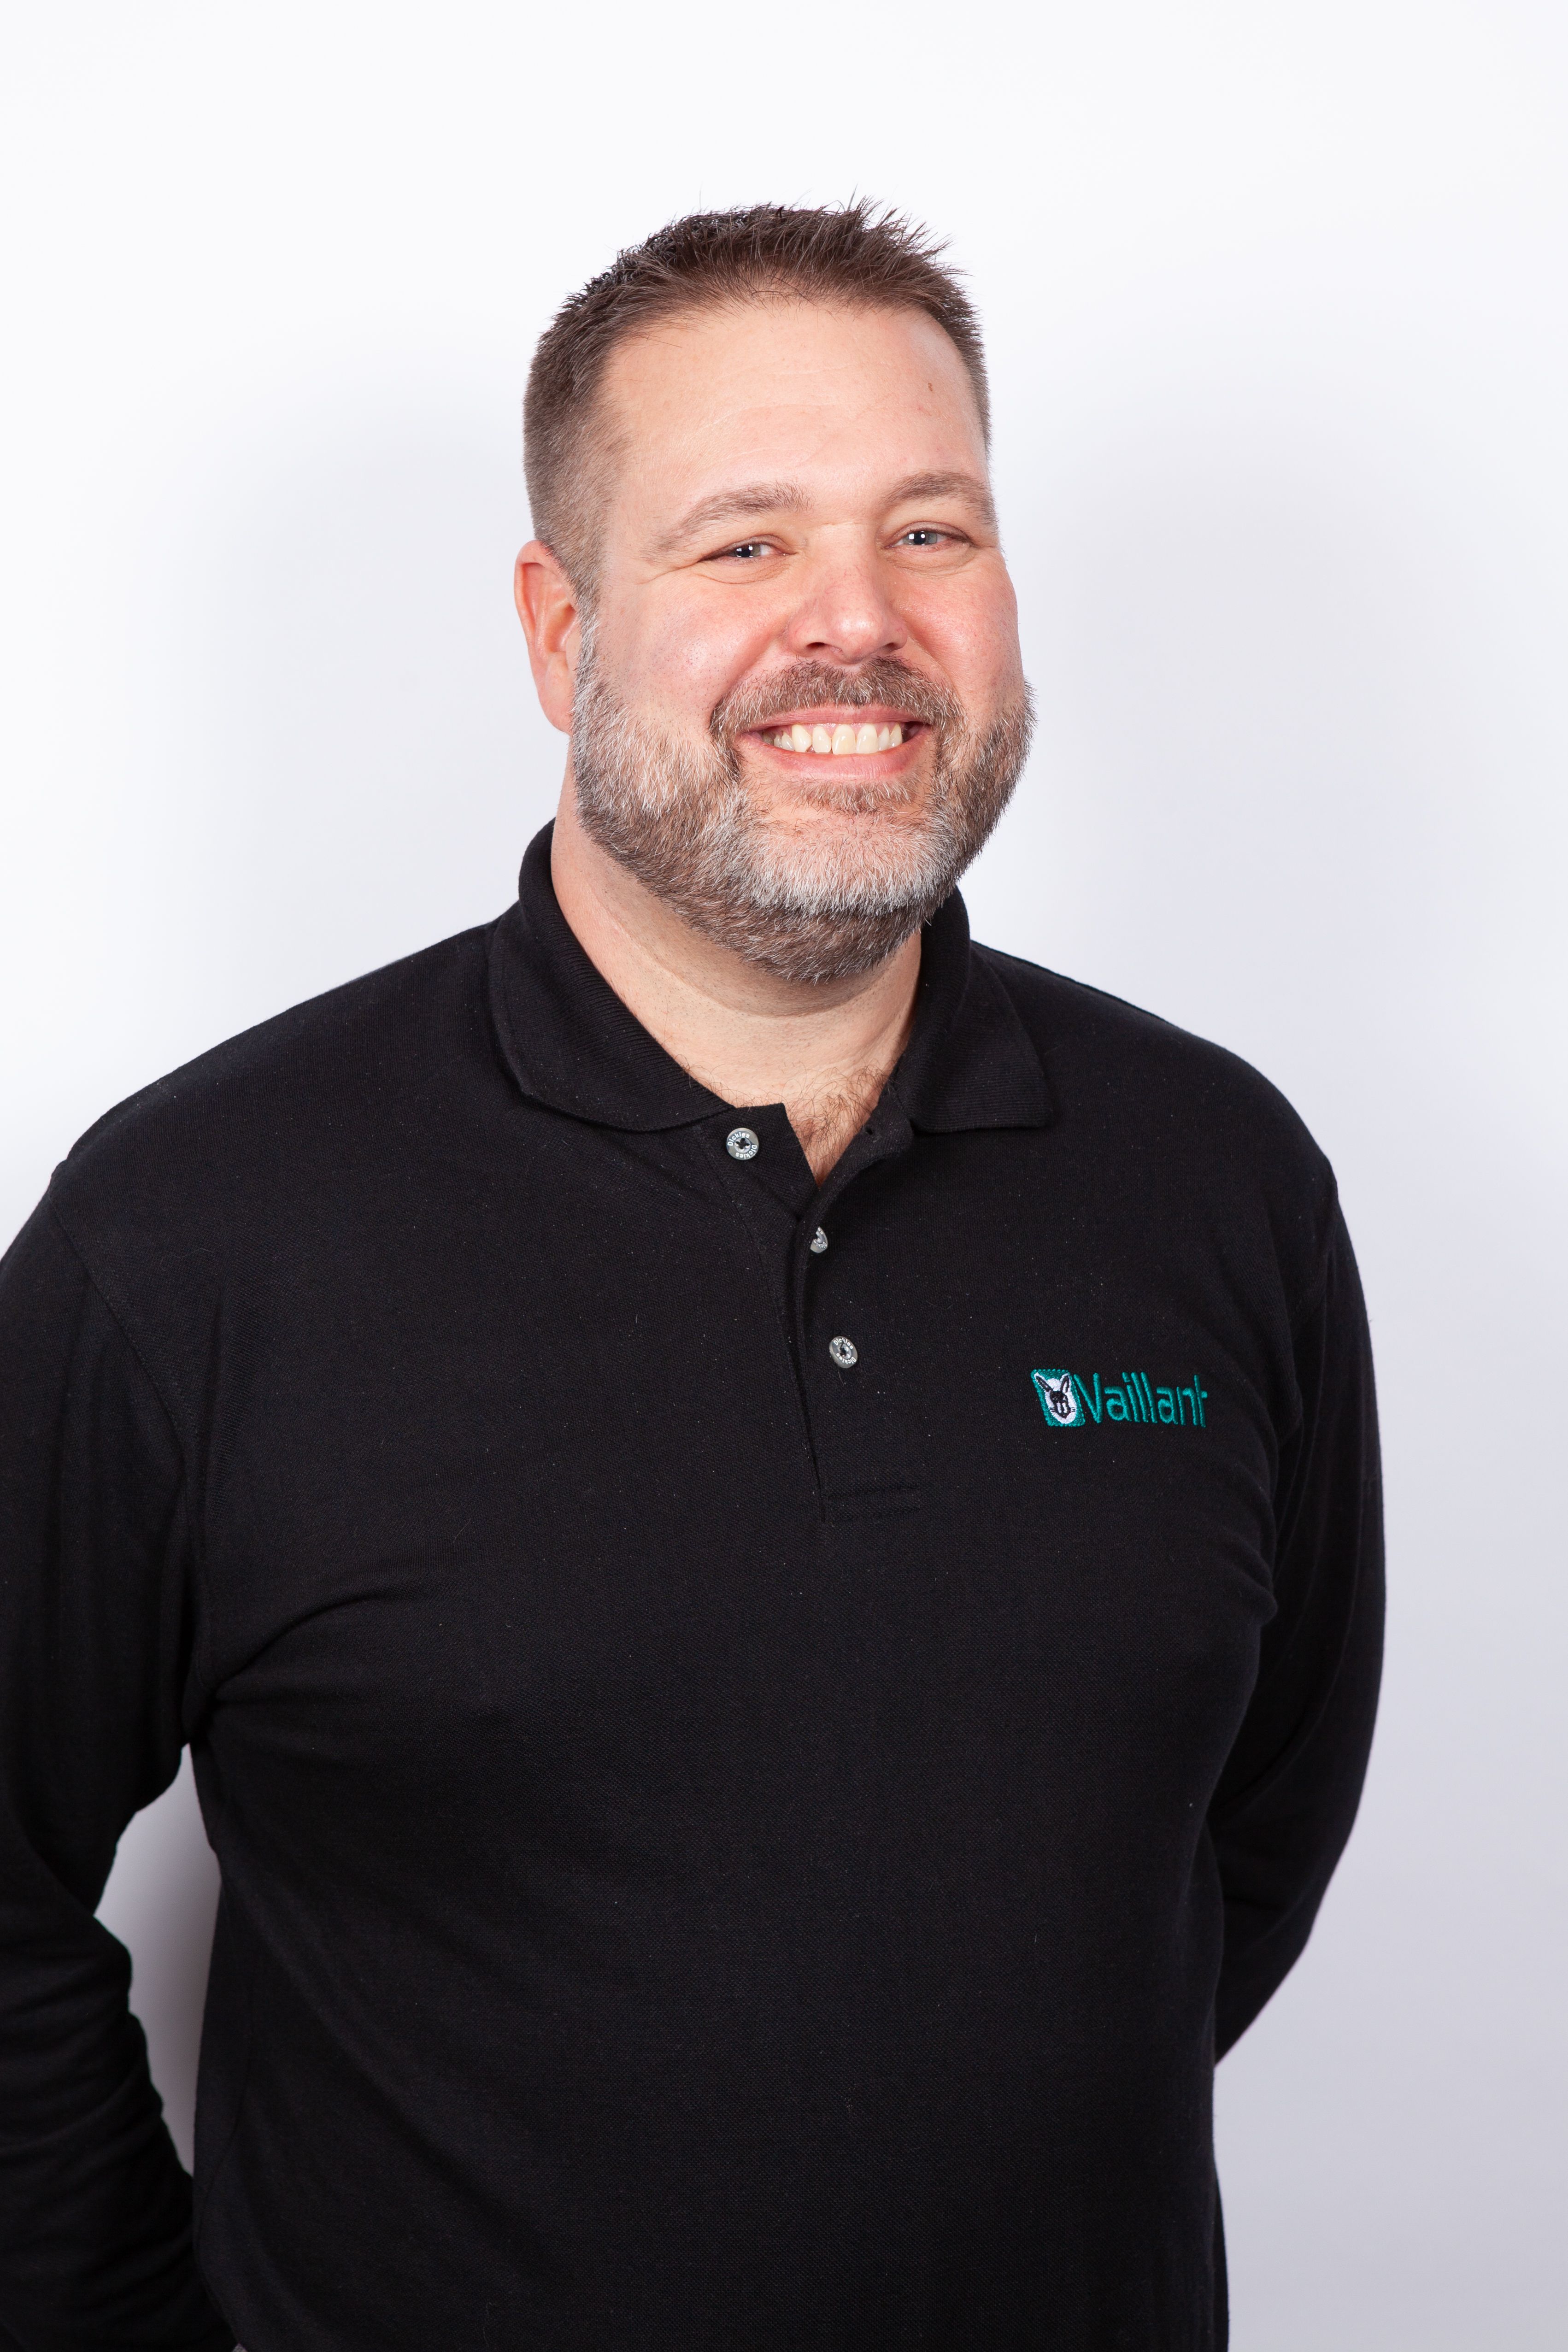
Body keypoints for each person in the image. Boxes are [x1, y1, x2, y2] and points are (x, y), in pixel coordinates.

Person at [0, 203, 1383, 2351]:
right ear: (560, 631)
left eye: (929, 530)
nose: (857, 621)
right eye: (744, 540)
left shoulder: (1215, 1176)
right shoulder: (194, 1225)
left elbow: (1233, 1845)